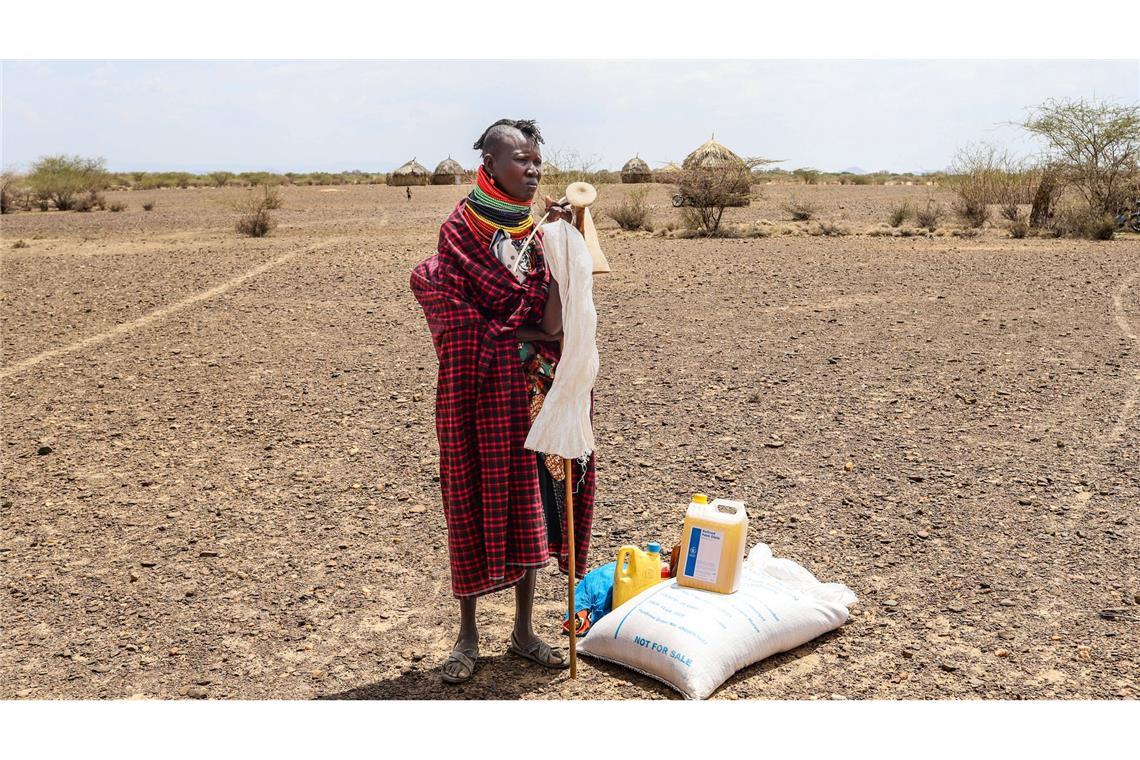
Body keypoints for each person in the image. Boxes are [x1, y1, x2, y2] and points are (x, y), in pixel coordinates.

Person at [410, 118, 597, 684]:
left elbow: (552, 314)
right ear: (489, 164)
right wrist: (506, 337)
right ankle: (467, 637)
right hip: (480, 390)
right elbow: (444, 301)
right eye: (520, 158)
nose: (533, 167)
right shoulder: (460, 231)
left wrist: (565, 246)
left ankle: (523, 632)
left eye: (537, 158)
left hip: (536, 391)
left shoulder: (538, 230)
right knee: (473, 496)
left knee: (533, 503)